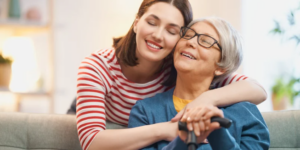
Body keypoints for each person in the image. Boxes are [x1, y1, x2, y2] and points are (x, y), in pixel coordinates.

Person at [76, 0, 267, 150]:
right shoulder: (100, 68)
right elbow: (92, 141)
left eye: (172, 31)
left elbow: (257, 89)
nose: (159, 36)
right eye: (152, 22)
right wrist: (174, 130)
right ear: (136, 23)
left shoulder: (180, 64)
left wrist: (205, 102)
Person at [128, 17, 270, 150]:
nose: (190, 42)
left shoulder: (246, 113)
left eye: (206, 41)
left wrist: (216, 131)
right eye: (188, 35)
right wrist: (183, 140)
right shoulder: (145, 111)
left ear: (221, 67)